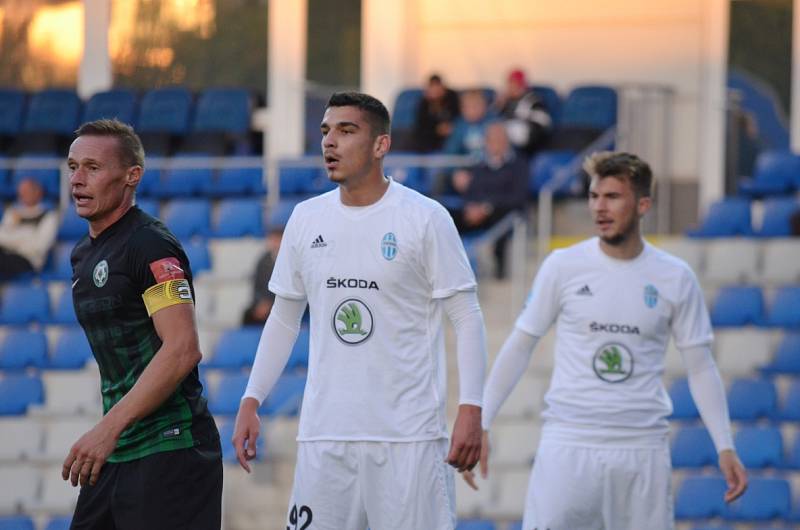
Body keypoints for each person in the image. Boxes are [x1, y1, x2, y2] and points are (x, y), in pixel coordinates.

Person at [233, 92, 487, 529]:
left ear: (380, 145)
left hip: (408, 439)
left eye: (347, 131)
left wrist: (471, 409)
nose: (330, 142)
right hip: (325, 437)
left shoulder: (425, 218)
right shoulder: (305, 219)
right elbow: (283, 317)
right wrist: (251, 398)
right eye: (326, 131)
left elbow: (466, 316)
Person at [464, 151, 748, 529]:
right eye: (594, 196)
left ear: (643, 204)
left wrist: (724, 445)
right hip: (569, 444)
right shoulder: (562, 266)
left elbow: (700, 367)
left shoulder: (675, 278)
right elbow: (520, 345)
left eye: (612, 197)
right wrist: (482, 420)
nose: (599, 207)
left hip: (641, 449)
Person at [62, 119, 222, 530]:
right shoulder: (82, 254)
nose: (78, 180)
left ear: (132, 176)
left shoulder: (149, 244)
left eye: (93, 168)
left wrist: (107, 428)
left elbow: (182, 348)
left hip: (172, 448)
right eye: (72, 166)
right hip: (117, 451)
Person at [449, 122, 529, 279]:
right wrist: (472, 208)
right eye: (492, 139)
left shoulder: (519, 165)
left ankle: (499, 271)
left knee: (503, 220)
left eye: (500, 138)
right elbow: (471, 193)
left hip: (503, 213)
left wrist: (486, 208)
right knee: (447, 216)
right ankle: (449, 268)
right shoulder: (480, 166)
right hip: (478, 213)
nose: (496, 143)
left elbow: (518, 197)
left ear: (506, 140)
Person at [0, 177, 58, 281]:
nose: (23, 195)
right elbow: (1, 237)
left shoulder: (48, 216)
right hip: (6, 256)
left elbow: (39, 246)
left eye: (28, 191)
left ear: (38, 192)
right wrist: (27, 234)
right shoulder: (13, 212)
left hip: (29, 261)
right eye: (21, 192)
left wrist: (12, 237)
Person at [495, 68, 552, 158]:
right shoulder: (506, 101)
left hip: (531, 143)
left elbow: (543, 124)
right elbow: (493, 119)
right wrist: (500, 106)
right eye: (509, 84)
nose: (510, 87)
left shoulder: (533, 100)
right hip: (510, 143)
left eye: (514, 84)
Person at [241, 227, 283, 326]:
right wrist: (261, 302)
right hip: (265, 303)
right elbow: (256, 287)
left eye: (278, 239)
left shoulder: (292, 260)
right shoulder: (263, 260)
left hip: (283, 304)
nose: (275, 243)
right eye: (273, 239)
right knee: (247, 314)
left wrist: (271, 304)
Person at [413, 73, 461, 153]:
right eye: (432, 87)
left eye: (437, 87)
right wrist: (437, 130)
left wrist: (451, 127)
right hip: (431, 137)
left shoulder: (452, 97)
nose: (435, 91)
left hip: (452, 134)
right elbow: (420, 126)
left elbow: (460, 117)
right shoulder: (423, 103)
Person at [443, 89, 494, 159]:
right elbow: (451, 152)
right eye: (468, 107)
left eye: (476, 106)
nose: (473, 110)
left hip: (488, 166)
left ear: (484, 107)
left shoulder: (493, 123)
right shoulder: (459, 125)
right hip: (465, 165)